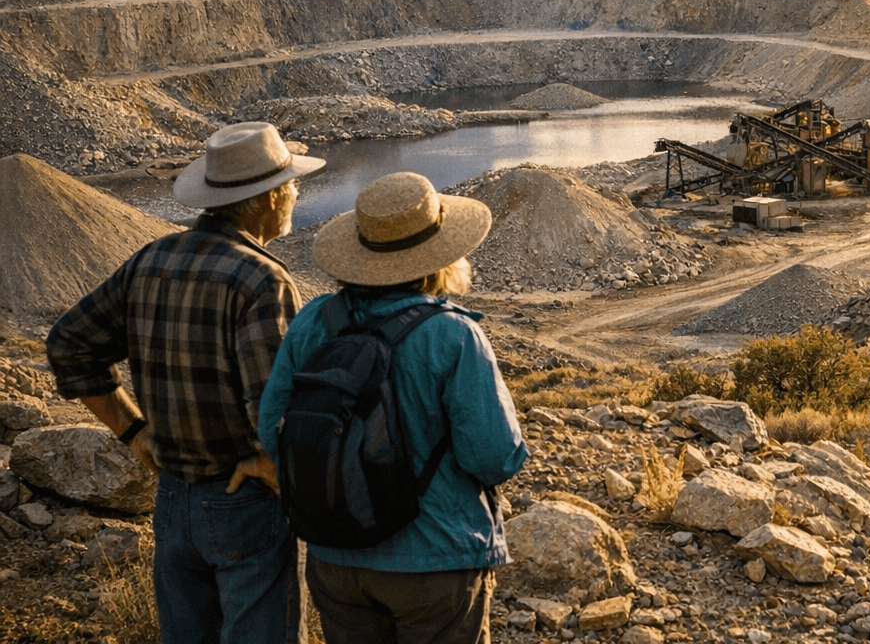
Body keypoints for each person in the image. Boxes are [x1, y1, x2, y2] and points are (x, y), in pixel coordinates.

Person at [47, 122, 325, 644]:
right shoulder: (262, 280)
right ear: (268, 199)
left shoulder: (152, 258)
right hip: (243, 501)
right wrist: (273, 462)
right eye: (291, 185)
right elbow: (273, 406)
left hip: (174, 499)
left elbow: (69, 344)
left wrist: (134, 432)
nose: (295, 193)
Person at [259, 172, 527, 644]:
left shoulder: (312, 322)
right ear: (440, 256)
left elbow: (271, 431)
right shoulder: (454, 334)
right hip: (437, 559)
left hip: (335, 556)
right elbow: (492, 456)